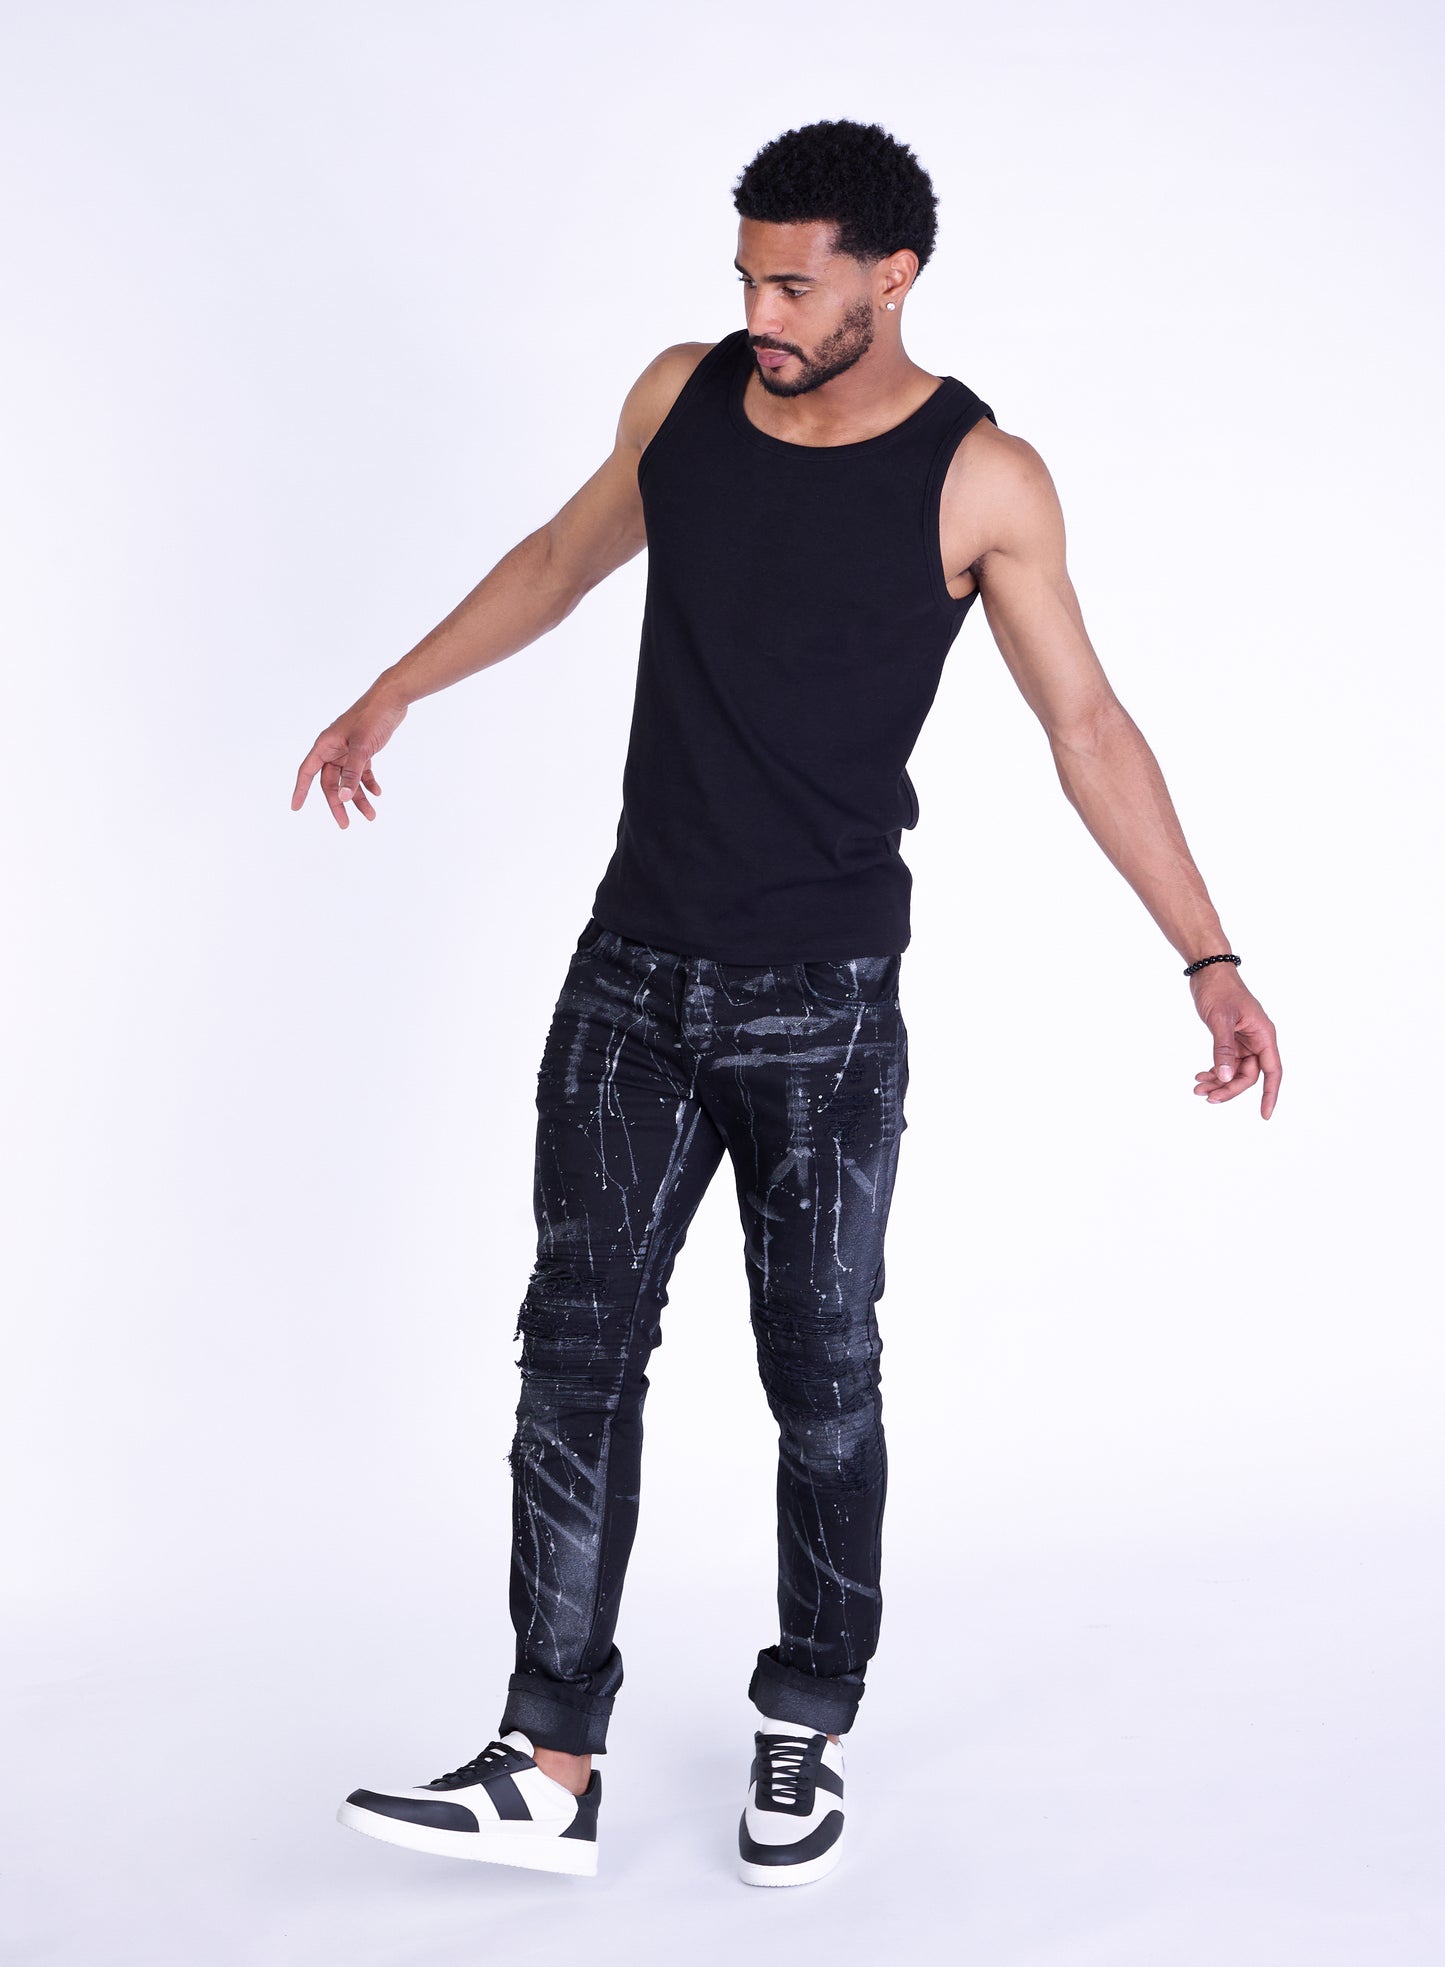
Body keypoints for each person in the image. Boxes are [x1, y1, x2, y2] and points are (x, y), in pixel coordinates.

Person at [293, 118, 1282, 1888]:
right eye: (745, 276)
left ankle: (805, 1719)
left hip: (819, 1008)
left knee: (820, 1380)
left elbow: (1084, 728)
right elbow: (559, 560)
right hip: (628, 976)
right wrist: (395, 689)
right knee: (571, 1361)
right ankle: (549, 1755)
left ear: (890, 280)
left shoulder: (982, 480)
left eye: (794, 285)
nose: (759, 311)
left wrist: (1205, 956)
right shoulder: (679, 398)